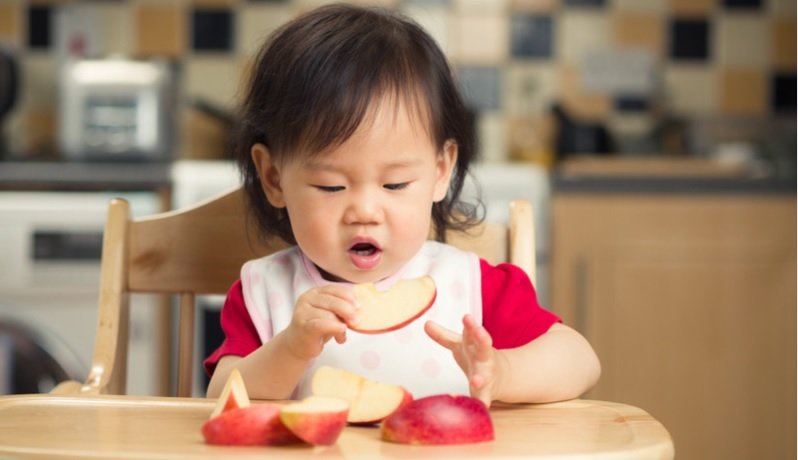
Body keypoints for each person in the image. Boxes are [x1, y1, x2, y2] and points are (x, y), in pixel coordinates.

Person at [204, 3, 600, 407]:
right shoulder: (268, 293)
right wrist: (290, 348)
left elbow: (580, 361)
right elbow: (221, 396)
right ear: (273, 179)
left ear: (440, 171)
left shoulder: (472, 287)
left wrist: (502, 372)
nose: (365, 211)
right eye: (330, 186)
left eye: (395, 184)